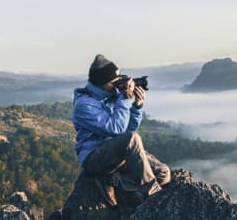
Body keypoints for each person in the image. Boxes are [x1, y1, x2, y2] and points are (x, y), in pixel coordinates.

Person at [72, 54, 170, 206]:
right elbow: (116, 129)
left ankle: (119, 183)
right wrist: (124, 99)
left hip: (116, 154)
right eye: (114, 82)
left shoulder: (112, 96)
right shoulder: (84, 105)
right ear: (101, 83)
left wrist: (137, 106)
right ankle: (152, 197)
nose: (118, 85)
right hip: (94, 158)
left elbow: (127, 130)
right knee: (133, 138)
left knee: (163, 173)